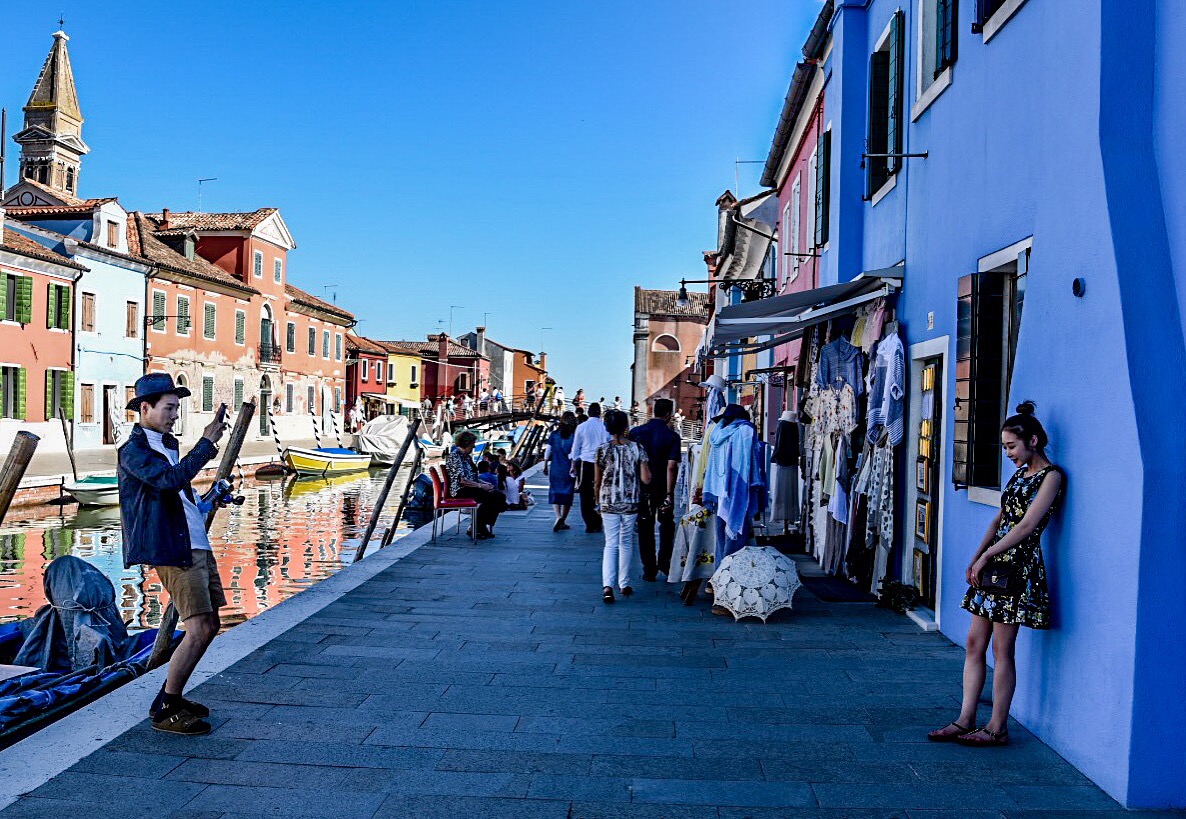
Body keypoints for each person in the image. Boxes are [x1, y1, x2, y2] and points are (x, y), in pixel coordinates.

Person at [929, 402, 1063, 747]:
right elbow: (1000, 520)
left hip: (1017, 569)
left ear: (1033, 440)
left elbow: (1029, 524)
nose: (1008, 454)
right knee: (975, 643)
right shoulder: (1019, 475)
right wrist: (976, 558)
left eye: (1011, 446)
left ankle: (997, 727)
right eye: (1004, 447)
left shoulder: (1052, 477)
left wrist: (989, 554)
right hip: (994, 565)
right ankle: (964, 719)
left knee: (1003, 650)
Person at [118, 373, 228, 736]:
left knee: (211, 625)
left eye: (177, 408)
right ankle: (166, 706)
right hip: (173, 548)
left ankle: (173, 697)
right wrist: (207, 444)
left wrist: (209, 499)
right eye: (168, 408)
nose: (174, 415)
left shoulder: (168, 444)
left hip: (195, 541)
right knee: (197, 628)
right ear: (144, 408)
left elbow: (181, 496)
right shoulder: (134, 451)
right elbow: (168, 481)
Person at [702, 403, 767, 615]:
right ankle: (725, 598)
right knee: (736, 545)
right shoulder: (745, 431)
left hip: (721, 494)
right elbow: (750, 465)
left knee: (722, 543)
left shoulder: (718, 432)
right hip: (738, 493)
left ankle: (715, 584)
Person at [594, 409, 651, 604]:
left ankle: (607, 586)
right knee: (625, 541)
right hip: (630, 501)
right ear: (626, 426)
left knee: (610, 543)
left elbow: (597, 481)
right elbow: (646, 478)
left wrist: (597, 501)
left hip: (608, 500)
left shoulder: (602, 449)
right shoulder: (637, 448)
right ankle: (624, 583)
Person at [629, 399, 682, 582]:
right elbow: (671, 466)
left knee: (645, 526)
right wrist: (670, 493)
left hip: (641, 487)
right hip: (662, 487)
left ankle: (648, 568)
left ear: (653, 411)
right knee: (667, 524)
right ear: (668, 414)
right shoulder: (672, 436)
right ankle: (664, 562)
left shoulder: (636, 433)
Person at [445, 430, 506, 539]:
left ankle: (480, 526)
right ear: (466, 444)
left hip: (471, 487)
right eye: (472, 445)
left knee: (500, 496)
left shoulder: (467, 457)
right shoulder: (455, 456)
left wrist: (484, 483)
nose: (473, 447)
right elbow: (462, 480)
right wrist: (481, 486)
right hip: (460, 490)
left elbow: (473, 477)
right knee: (490, 498)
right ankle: (477, 527)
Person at [569, 402, 611, 533]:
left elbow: (576, 448)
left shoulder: (581, 427)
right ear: (600, 413)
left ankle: (589, 522)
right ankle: (598, 520)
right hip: (603, 463)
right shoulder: (605, 427)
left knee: (585, 494)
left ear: (588, 412)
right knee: (602, 492)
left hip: (586, 463)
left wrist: (573, 465)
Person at [545, 411, 578, 531]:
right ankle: (563, 519)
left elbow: (548, 451)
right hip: (569, 467)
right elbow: (575, 453)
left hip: (555, 467)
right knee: (567, 494)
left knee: (555, 491)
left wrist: (544, 464)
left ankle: (558, 516)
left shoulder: (554, 434)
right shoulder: (574, 435)